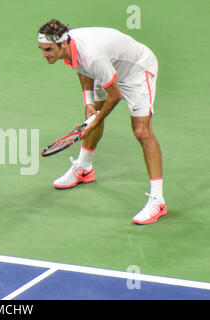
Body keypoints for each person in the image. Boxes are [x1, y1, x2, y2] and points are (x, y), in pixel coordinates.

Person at [38, 19, 166, 225]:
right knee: (93, 113)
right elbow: (80, 67)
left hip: (137, 72)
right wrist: (89, 104)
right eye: (42, 49)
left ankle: (158, 200)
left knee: (142, 132)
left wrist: (94, 122)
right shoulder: (70, 46)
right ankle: (84, 168)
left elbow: (114, 96)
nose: (44, 55)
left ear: (62, 44)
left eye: (48, 50)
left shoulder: (92, 55)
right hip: (110, 68)